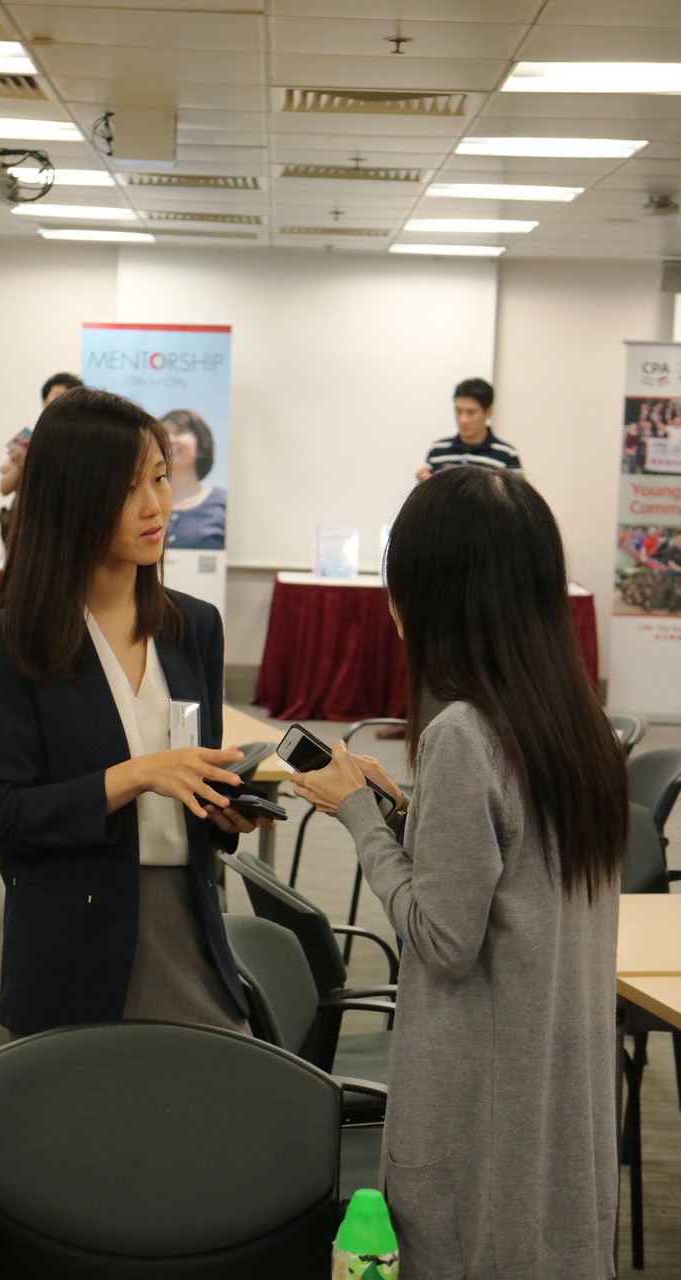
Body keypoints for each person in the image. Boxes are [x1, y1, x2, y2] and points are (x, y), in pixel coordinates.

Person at [293, 466, 626, 1280]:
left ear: (434, 594)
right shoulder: (578, 725)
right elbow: (514, 880)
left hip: (479, 1102)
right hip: (560, 1093)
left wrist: (358, 815)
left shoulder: (461, 737)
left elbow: (442, 940)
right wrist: (405, 817)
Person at [0, 387, 269, 1038]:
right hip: (71, 943)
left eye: (159, 478)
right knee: (83, 1104)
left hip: (188, 930)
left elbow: (194, 788)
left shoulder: (194, 627)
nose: (155, 505)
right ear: (71, 498)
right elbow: (7, 814)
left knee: (221, 1096)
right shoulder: (9, 644)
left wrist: (223, 811)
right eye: (129, 488)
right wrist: (137, 775)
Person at [0, 372, 83, 545]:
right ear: (44, 401)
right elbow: (4, 487)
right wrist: (22, 466)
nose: (62, 404)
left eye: (69, 399)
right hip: (28, 528)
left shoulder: (84, 444)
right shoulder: (27, 439)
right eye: (57, 397)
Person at [416, 377, 522, 481]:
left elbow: (516, 492)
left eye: (471, 412)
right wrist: (425, 483)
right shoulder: (437, 450)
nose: (463, 419)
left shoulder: (507, 454)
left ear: (488, 412)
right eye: (458, 411)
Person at [161, 408, 227, 549]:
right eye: (163, 434)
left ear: (201, 446)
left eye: (180, 431)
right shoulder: (144, 503)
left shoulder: (225, 503)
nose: (170, 439)